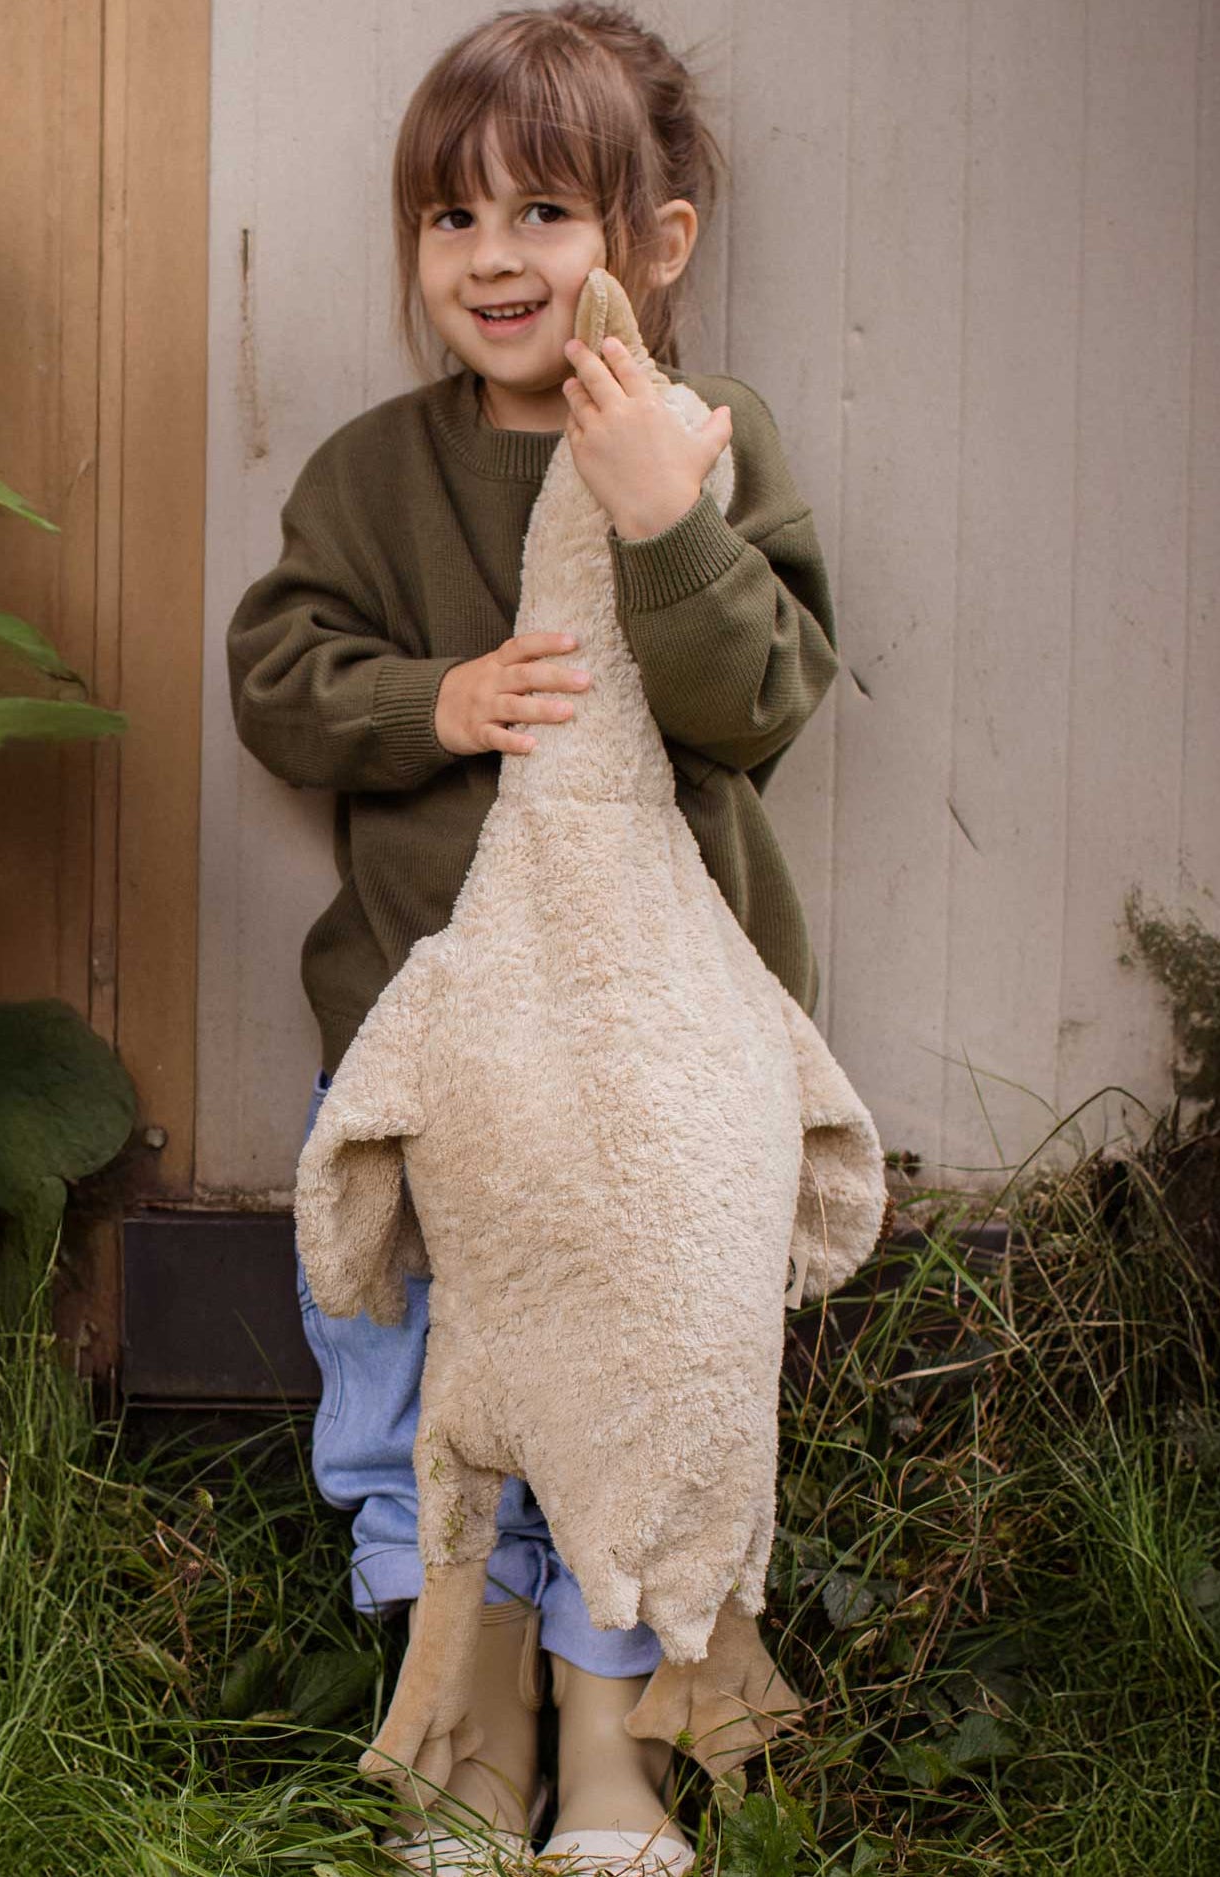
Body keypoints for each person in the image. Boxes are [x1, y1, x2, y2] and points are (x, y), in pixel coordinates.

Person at [225, 5, 839, 1869]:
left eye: (547, 210)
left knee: (630, 1395)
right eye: (450, 217)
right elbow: (278, 669)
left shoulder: (710, 450)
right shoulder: (369, 473)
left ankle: (614, 1754)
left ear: (657, 240)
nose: (492, 258)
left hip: (645, 1063)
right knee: (418, 1385)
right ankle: (464, 1737)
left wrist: (665, 525)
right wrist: (440, 697)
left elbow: (768, 697)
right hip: (432, 1040)